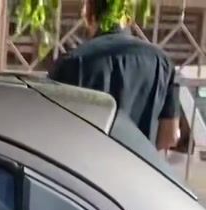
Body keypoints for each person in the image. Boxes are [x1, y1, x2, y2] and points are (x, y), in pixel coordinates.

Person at [49, 0, 181, 150]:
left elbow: (53, 127)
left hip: (85, 162)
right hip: (137, 162)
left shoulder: (73, 62)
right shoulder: (163, 63)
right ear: (129, 16)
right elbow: (171, 136)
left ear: (89, 12)